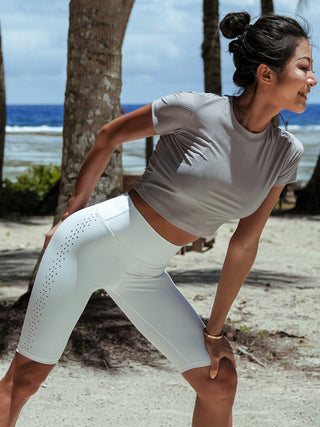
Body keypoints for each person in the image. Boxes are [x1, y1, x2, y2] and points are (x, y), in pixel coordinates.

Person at [0, 11, 317, 427]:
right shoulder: (195, 110)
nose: (312, 79)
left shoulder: (285, 153)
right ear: (266, 74)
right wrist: (69, 215)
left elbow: (244, 244)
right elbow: (108, 136)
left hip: (144, 273)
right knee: (25, 379)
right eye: (304, 67)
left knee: (219, 382)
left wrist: (215, 331)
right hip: (85, 246)